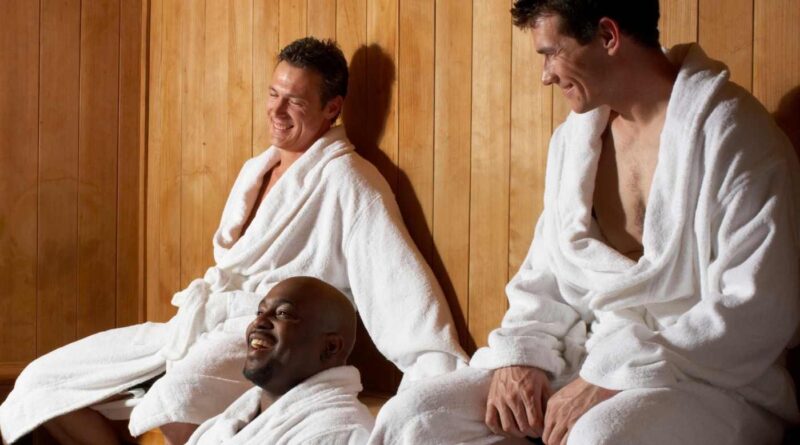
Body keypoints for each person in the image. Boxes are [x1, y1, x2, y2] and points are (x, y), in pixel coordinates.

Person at [369, 1, 800, 444]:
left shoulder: (733, 137)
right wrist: (523, 354)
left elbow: (758, 308)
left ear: (608, 36)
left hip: (709, 379)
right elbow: (545, 273)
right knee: (415, 416)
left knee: (599, 436)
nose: (546, 75)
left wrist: (618, 371)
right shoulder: (573, 143)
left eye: (551, 52)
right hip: (590, 357)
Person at [0, 37, 467, 445]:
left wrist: (436, 374)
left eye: (296, 101)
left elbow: (396, 279)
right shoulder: (256, 169)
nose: (277, 111)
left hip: (277, 343)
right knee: (42, 381)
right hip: (202, 323)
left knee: (179, 394)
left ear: (332, 108)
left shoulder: (350, 181)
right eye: (273, 93)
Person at [186, 276, 374, 444]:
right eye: (260, 312)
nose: (258, 322)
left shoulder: (340, 433)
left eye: (283, 313)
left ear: (330, 347)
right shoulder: (225, 424)